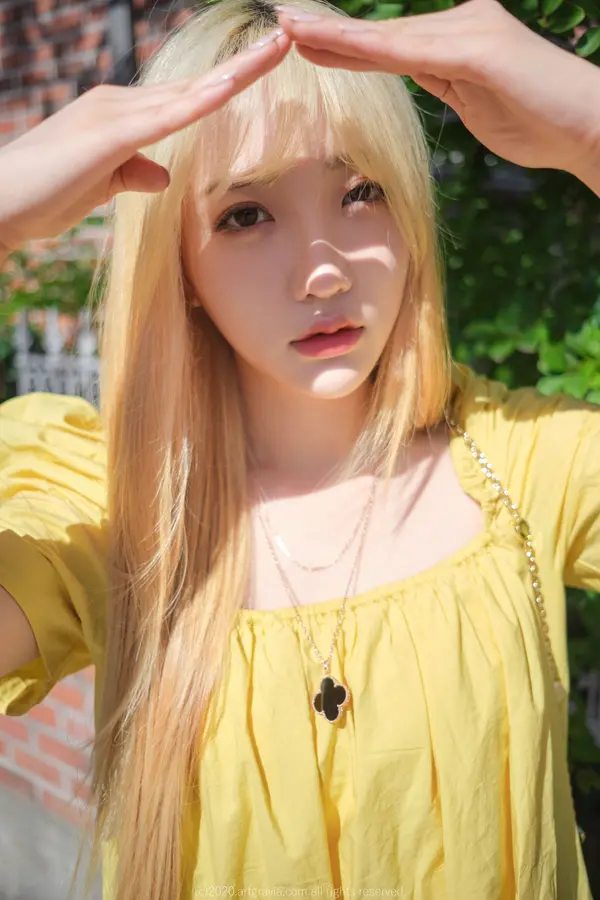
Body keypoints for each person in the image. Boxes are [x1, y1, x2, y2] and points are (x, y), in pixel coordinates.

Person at [0, 0, 598, 897]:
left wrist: (592, 126)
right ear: (181, 264)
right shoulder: (111, 505)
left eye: (361, 193)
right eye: (246, 215)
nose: (322, 272)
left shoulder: (520, 465)